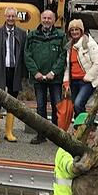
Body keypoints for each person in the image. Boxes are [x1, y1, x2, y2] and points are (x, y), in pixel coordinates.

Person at [24, 10, 66, 144]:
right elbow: (27, 55)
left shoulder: (61, 36)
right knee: (40, 106)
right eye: (44, 18)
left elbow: (63, 55)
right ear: (41, 19)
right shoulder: (32, 36)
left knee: (56, 105)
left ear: (54, 20)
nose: (47, 20)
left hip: (55, 78)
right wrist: (35, 72)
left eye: (49, 18)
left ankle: (56, 135)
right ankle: (41, 134)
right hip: (38, 78)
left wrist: (53, 72)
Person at [0, 7, 26, 145]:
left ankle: (9, 132)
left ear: (16, 17)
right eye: (8, 16)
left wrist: (23, 75)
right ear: (5, 16)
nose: (10, 18)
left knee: (12, 102)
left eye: (13, 16)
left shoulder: (22, 33)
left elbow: (23, 56)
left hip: (14, 71)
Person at [63, 19, 98, 116]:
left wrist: (88, 77)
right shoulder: (69, 47)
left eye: (77, 29)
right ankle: (79, 128)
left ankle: (85, 126)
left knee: (78, 104)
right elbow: (69, 66)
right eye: (72, 30)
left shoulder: (90, 44)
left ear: (81, 30)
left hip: (86, 81)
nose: (74, 32)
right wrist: (66, 81)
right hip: (74, 80)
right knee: (75, 106)